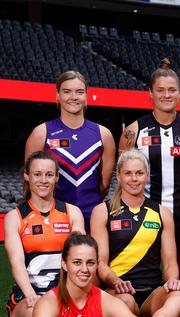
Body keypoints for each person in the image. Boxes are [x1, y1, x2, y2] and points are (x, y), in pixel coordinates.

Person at [90, 148, 180, 317]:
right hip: (116, 290)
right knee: (127, 303)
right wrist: (114, 281)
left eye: (139, 173)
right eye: (128, 173)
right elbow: (100, 263)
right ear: (118, 176)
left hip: (152, 290)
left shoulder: (161, 212)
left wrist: (173, 280)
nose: (134, 178)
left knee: (175, 298)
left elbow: (170, 262)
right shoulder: (104, 211)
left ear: (147, 176)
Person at [5, 151, 85, 317]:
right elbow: (17, 262)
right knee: (35, 313)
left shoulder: (71, 213)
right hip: (27, 295)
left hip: (63, 293)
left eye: (49, 174)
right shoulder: (15, 217)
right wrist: (31, 293)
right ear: (27, 176)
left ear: (56, 178)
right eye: (37, 174)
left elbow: (81, 258)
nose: (43, 180)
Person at [119, 58, 180, 247]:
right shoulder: (132, 132)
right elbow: (124, 177)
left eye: (172, 90)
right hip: (144, 217)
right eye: (160, 90)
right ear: (150, 93)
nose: (166, 95)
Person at [24, 71, 116, 230]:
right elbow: (30, 181)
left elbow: (104, 185)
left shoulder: (104, 135)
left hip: (92, 219)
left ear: (86, 96)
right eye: (67, 91)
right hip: (52, 220)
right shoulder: (41, 133)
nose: (73, 97)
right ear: (57, 95)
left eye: (79, 92)